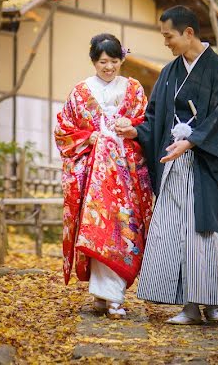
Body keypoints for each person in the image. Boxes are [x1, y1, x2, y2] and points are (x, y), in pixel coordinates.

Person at [116, 5, 218, 325]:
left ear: (188, 33)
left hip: (206, 163)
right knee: (176, 233)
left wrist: (193, 140)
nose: (166, 42)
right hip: (174, 165)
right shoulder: (170, 73)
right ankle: (188, 305)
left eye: (168, 36)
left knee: (205, 231)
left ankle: (213, 303)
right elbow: (155, 117)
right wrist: (136, 131)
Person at [54, 33, 153, 319]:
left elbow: (146, 123)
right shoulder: (80, 92)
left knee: (121, 231)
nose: (108, 67)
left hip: (126, 176)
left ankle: (112, 296)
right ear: (94, 62)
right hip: (92, 178)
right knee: (97, 230)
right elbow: (64, 131)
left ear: (122, 60)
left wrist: (131, 127)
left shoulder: (134, 89)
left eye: (113, 61)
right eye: (102, 62)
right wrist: (92, 137)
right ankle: (105, 297)